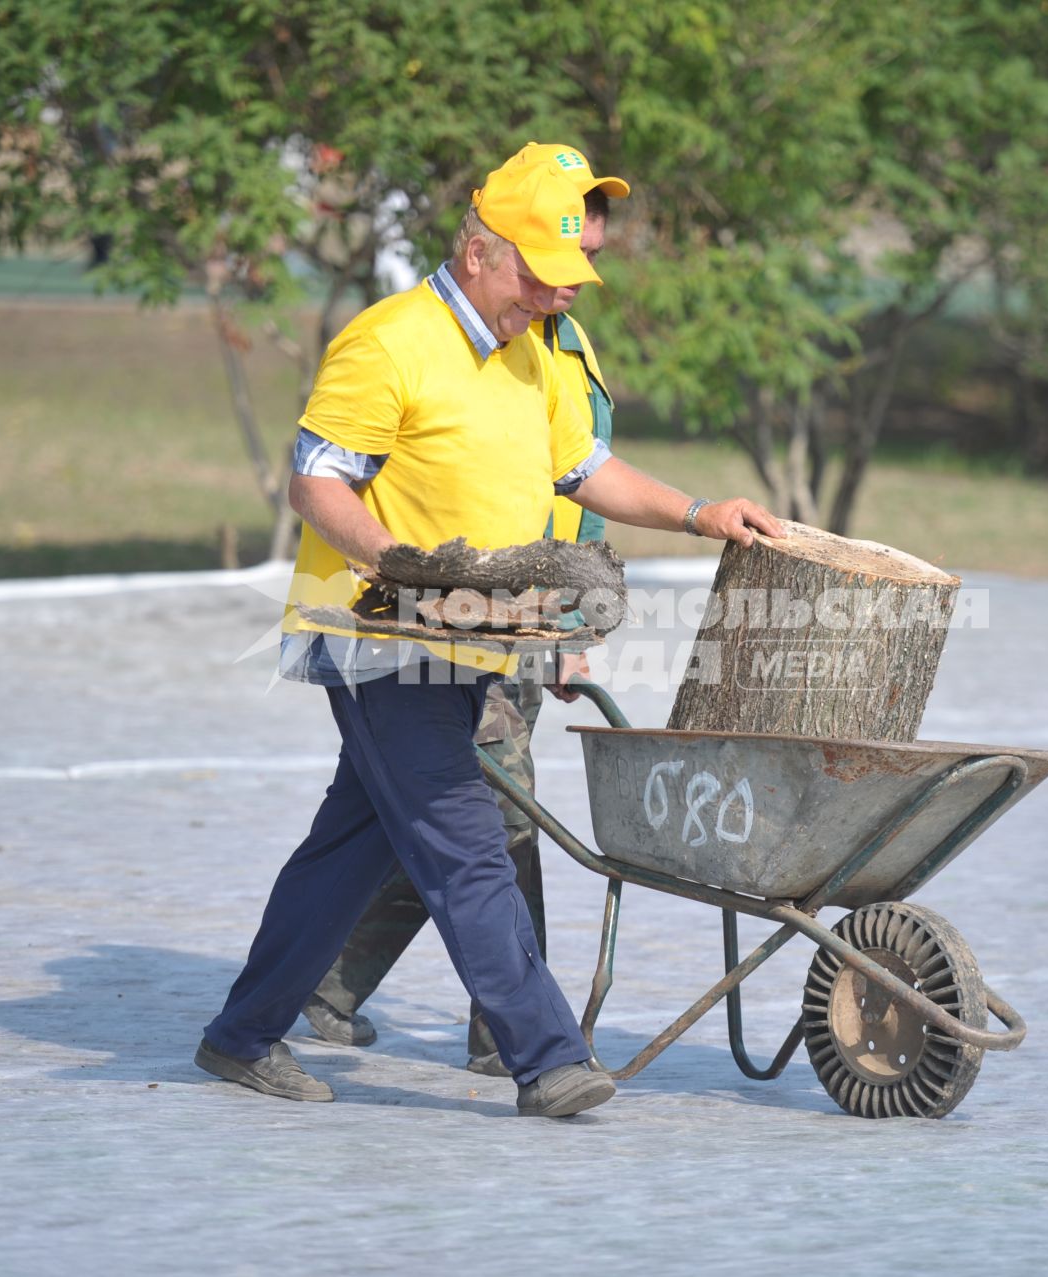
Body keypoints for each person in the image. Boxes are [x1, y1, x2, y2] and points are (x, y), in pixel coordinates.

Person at [195, 146, 780, 1118]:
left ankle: (243, 1033)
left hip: (475, 638)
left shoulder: (529, 359)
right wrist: (397, 561)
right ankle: (547, 1058)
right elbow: (317, 480)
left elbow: (587, 472)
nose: (555, 296)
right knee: (468, 843)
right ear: (479, 253)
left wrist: (699, 511)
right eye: (540, 276)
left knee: (352, 847)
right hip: (379, 632)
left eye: (566, 280)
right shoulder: (387, 344)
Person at [299, 142, 625, 1076]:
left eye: (592, 237)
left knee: (410, 812)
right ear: (500, 245)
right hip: (437, 618)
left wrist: (563, 623)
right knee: (486, 817)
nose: (581, 260)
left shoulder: (558, 340)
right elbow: (340, 483)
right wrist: (418, 578)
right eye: (566, 237)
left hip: (520, 613)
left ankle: (313, 983)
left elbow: (569, 482)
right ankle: (522, 1034)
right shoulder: (459, 334)